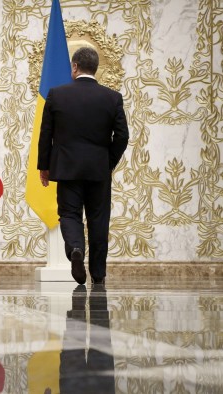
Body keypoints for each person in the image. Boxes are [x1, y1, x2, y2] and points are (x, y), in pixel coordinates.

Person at [37, 46, 129, 285]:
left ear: (75, 67)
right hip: (98, 170)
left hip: (67, 169)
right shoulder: (112, 97)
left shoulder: (56, 94)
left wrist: (44, 166)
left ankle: (76, 249)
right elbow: (122, 136)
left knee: (69, 214)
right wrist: (107, 162)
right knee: (99, 219)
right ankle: (98, 274)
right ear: (95, 68)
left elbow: (45, 134)